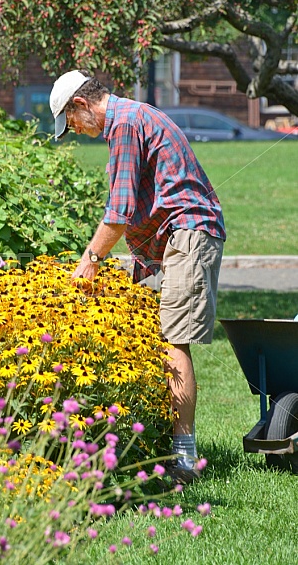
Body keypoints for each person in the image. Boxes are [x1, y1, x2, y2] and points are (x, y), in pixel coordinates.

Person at [49, 70, 226, 483]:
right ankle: (149, 443)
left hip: (188, 233)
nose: (74, 130)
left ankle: (184, 462)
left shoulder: (125, 123)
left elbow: (121, 209)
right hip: (167, 240)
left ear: (80, 104)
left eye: (71, 122)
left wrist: (90, 259)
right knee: (141, 330)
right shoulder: (128, 120)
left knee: (171, 340)